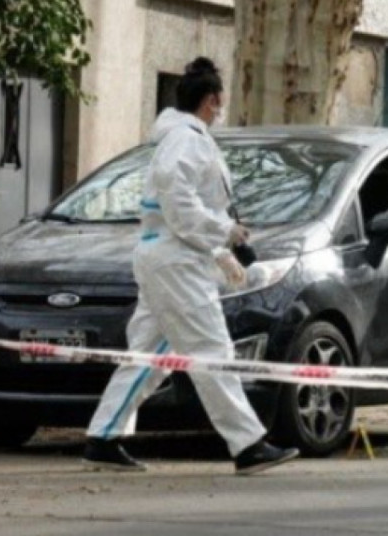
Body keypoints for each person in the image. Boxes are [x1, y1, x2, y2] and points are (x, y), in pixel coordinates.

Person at [83, 58, 299, 475]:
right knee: (212, 352)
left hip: (169, 257)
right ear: (212, 100)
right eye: (220, 101)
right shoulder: (187, 141)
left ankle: (104, 435)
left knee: (150, 355)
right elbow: (179, 203)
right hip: (178, 263)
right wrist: (224, 233)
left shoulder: (179, 138)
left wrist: (219, 250)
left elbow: (177, 210)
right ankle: (248, 444)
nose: (221, 109)